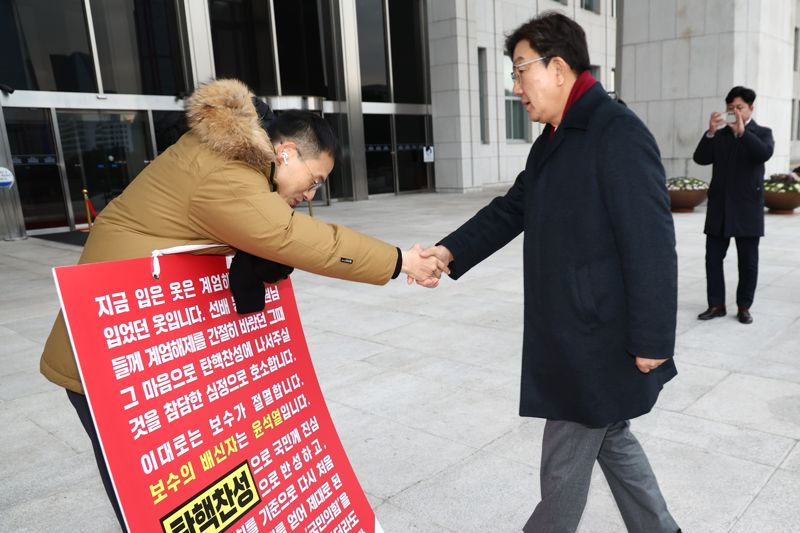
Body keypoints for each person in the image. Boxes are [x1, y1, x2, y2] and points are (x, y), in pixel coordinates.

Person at [39, 78, 446, 531]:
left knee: (187, 485)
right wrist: (399, 261)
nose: (311, 195)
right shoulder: (226, 171)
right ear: (286, 151)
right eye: (315, 181)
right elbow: (290, 236)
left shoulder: (232, 163)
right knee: (151, 495)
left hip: (142, 351)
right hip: (113, 357)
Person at [418, 13, 680, 533]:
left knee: (564, 460)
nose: (516, 87)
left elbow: (652, 244)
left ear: (558, 68)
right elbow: (513, 208)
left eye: (520, 71)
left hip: (596, 338)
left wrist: (654, 338)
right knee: (611, 436)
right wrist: (448, 252)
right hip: (571, 327)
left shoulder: (616, 133)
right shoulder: (555, 139)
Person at [693, 86, 774, 325]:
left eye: (739, 107)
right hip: (720, 208)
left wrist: (743, 133)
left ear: (751, 108)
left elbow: (763, 154)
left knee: (747, 262)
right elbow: (700, 158)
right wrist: (709, 132)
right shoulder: (719, 135)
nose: (735, 112)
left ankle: (744, 306)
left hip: (748, 209)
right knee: (713, 259)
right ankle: (716, 305)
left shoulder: (762, 133)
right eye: (730, 108)